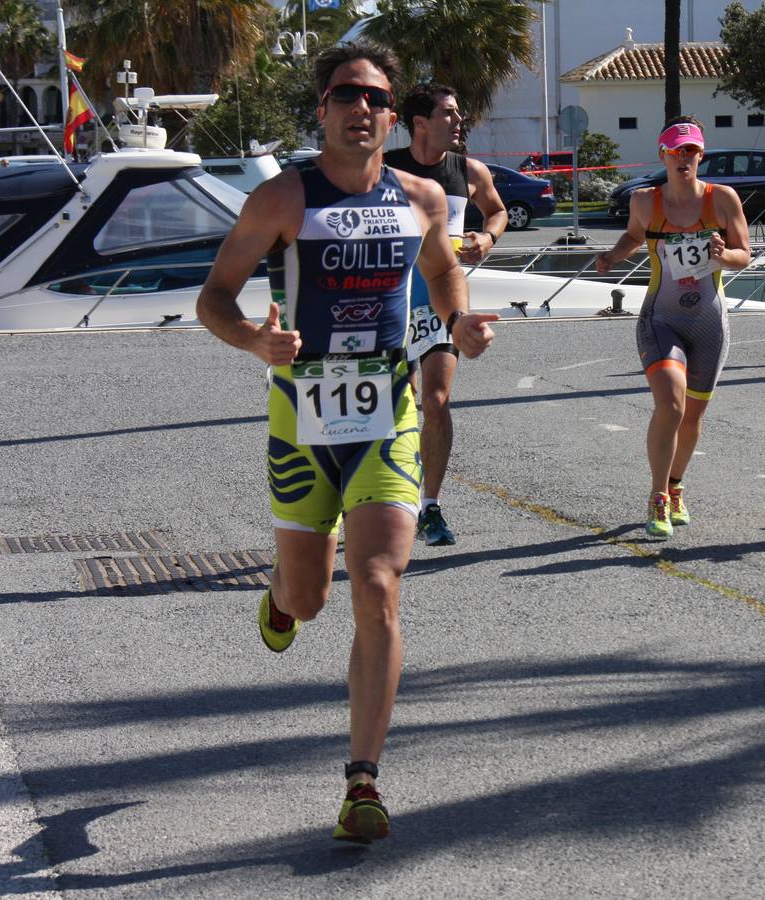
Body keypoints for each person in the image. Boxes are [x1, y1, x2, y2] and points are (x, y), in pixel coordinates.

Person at [195, 41, 497, 843]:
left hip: (387, 417)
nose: (359, 109)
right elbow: (214, 299)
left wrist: (458, 322)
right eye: (344, 95)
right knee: (311, 599)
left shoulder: (424, 197)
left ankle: (363, 781)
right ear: (322, 111)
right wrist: (254, 345)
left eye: (374, 98)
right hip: (302, 420)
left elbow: (441, 273)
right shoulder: (281, 199)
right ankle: (282, 596)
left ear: (392, 116)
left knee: (377, 585)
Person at [595, 117, 750, 539]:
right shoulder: (646, 201)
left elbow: (745, 255)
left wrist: (724, 254)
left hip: (709, 321)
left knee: (693, 415)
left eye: (692, 151)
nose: (685, 158)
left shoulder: (722, 200)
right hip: (661, 318)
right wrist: (613, 256)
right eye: (677, 151)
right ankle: (658, 495)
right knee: (671, 403)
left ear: (701, 155)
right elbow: (632, 236)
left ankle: (677, 485)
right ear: (662, 154)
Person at [384, 83, 507, 547]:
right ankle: (375, 499)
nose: (459, 122)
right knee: (393, 409)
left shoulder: (468, 169)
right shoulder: (386, 169)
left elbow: (497, 211)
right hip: (390, 305)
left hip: (442, 304)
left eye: (458, 114)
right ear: (419, 123)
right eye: (449, 114)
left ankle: (427, 506)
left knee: (435, 403)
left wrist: (487, 238)